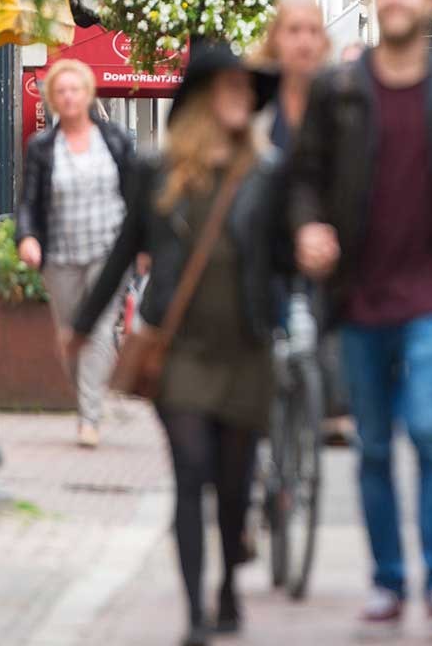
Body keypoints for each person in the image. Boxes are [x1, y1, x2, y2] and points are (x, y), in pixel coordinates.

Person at [288, 0, 432, 638]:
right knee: (375, 446)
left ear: (431, 1)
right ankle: (388, 580)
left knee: (430, 429)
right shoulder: (340, 90)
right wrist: (308, 227)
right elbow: (305, 176)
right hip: (358, 293)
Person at [67, 39, 289, 646]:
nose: (242, 99)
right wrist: (84, 323)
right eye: (230, 88)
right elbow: (122, 254)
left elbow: (286, 256)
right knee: (191, 471)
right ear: (201, 100)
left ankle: (226, 591)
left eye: (248, 90)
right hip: (180, 350)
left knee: (234, 483)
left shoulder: (268, 176)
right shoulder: (155, 174)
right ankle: (194, 611)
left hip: (246, 346)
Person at [250, 0, 355, 448]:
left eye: (313, 31)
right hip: (264, 236)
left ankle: (336, 402)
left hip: (325, 236)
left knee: (336, 308)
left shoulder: (341, 101)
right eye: (294, 31)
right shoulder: (255, 102)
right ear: (275, 39)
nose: (304, 42)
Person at [17, 59, 138, 449]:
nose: (69, 97)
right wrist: (27, 238)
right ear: (53, 98)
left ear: (88, 94)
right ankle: (89, 396)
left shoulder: (115, 139)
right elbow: (28, 202)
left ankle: (90, 415)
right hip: (62, 254)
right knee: (70, 336)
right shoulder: (42, 148)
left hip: (108, 250)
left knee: (100, 327)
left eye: (76, 89)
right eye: (62, 91)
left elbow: (135, 196)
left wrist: (142, 243)